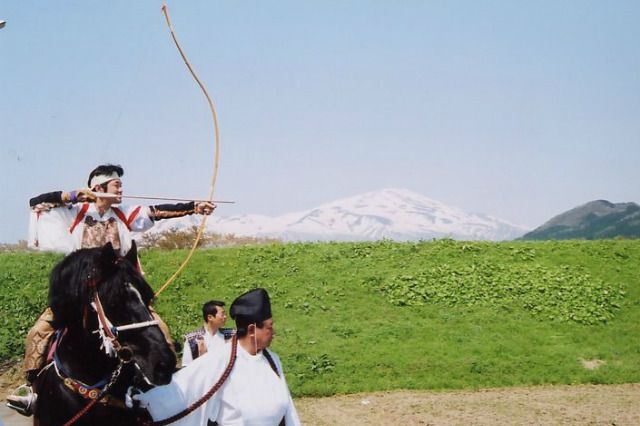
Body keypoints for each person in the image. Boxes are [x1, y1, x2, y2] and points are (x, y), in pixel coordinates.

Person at [7, 163, 215, 416]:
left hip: (119, 292)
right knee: (39, 331)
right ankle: (31, 390)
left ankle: (156, 384)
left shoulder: (123, 213)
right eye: (116, 185)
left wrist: (194, 207)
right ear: (98, 188)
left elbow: (157, 211)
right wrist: (71, 196)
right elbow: (36, 203)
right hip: (82, 292)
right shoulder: (76, 211)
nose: (121, 189)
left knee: (159, 328)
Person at [134, 288, 301, 426]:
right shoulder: (221, 359)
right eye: (269, 327)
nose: (273, 332)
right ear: (251, 330)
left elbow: (288, 409)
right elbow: (184, 386)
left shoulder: (272, 360)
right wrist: (141, 400)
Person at [182, 300, 234, 367]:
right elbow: (187, 367)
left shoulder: (231, 335)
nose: (225, 317)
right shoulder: (192, 339)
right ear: (210, 317)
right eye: (222, 314)